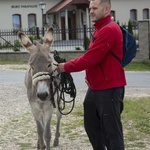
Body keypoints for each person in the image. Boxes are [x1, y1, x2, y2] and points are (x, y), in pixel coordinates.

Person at [57, 0, 126, 149]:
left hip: (110, 88)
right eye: (90, 8)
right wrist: (89, 77)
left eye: (95, 8)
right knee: (92, 126)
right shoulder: (98, 30)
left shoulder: (109, 30)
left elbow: (90, 58)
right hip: (96, 87)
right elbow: (91, 57)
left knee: (112, 133)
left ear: (106, 9)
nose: (91, 11)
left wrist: (65, 67)